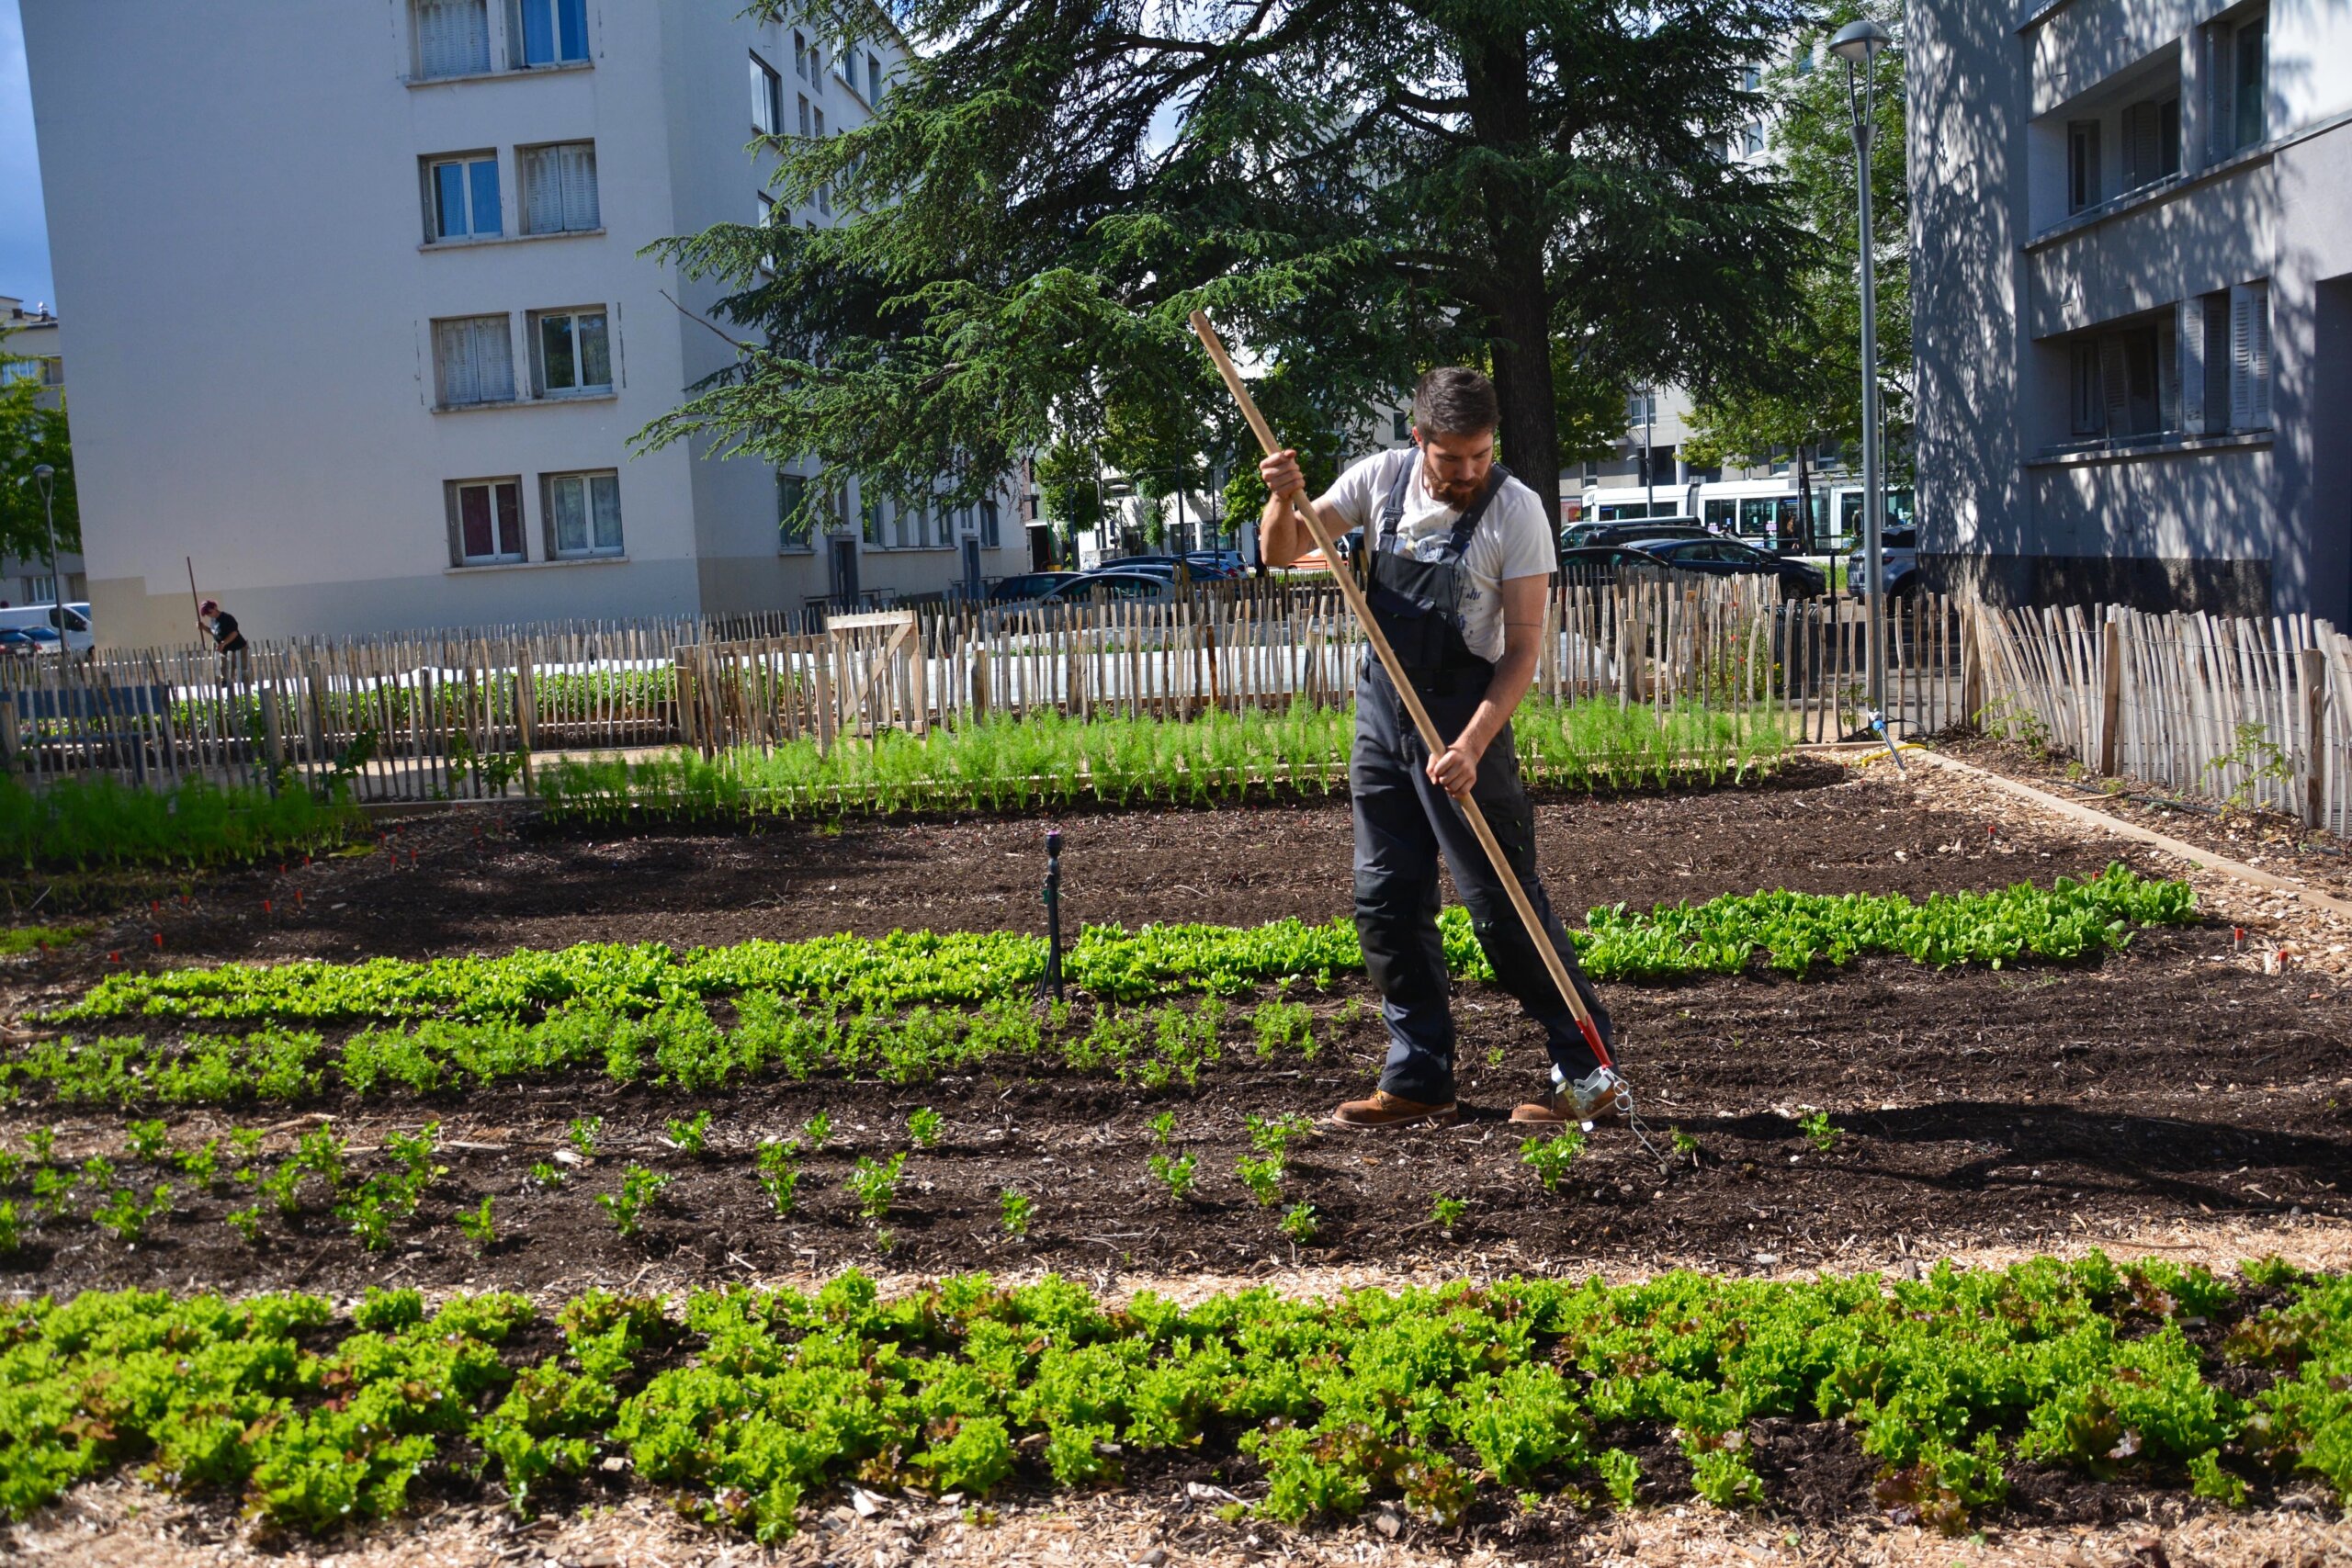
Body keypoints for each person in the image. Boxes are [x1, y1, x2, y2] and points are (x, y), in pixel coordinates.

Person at [1257, 367, 1623, 1130]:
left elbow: (1522, 650)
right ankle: (1420, 1075)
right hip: (1380, 716)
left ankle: (1588, 1075)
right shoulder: (1380, 480)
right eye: (1451, 456)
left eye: (1480, 455)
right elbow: (1284, 551)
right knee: (1385, 900)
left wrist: (1472, 743)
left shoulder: (1516, 512)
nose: (1466, 471)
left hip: (1467, 721)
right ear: (1417, 438)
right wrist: (1284, 495)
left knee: (1502, 906)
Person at [198, 597, 249, 676]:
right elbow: (214, 632)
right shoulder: (213, 620)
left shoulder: (227, 618)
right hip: (225, 652)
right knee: (226, 675)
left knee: (243, 673)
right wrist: (203, 627)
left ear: (215, 607)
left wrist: (223, 643)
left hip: (238, 649)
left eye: (209, 612)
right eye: (207, 614)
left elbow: (234, 633)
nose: (208, 615)